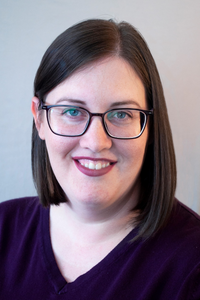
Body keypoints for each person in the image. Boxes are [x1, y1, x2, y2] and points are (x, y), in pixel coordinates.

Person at [0, 19, 200, 300]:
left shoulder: (192, 265)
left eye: (121, 114)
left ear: (151, 128)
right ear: (39, 118)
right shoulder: (2, 228)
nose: (95, 142)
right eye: (72, 111)